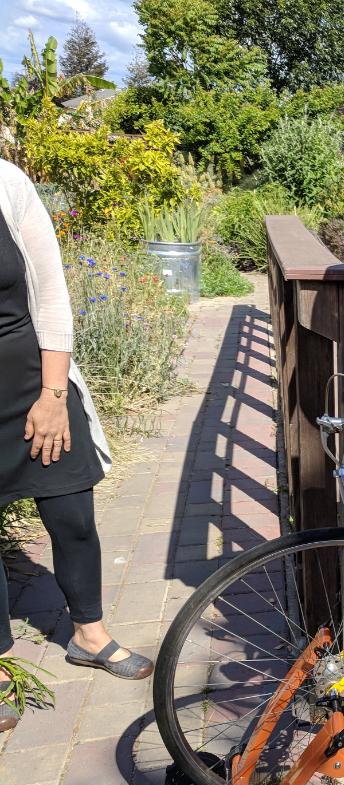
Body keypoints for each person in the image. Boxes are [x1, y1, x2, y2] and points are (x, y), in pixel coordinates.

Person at [0, 158, 154, 732]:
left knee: (72, 513)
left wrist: (53, 393)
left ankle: (89, 633)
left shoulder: (7, 184)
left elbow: (51, 295)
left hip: (29, 385)